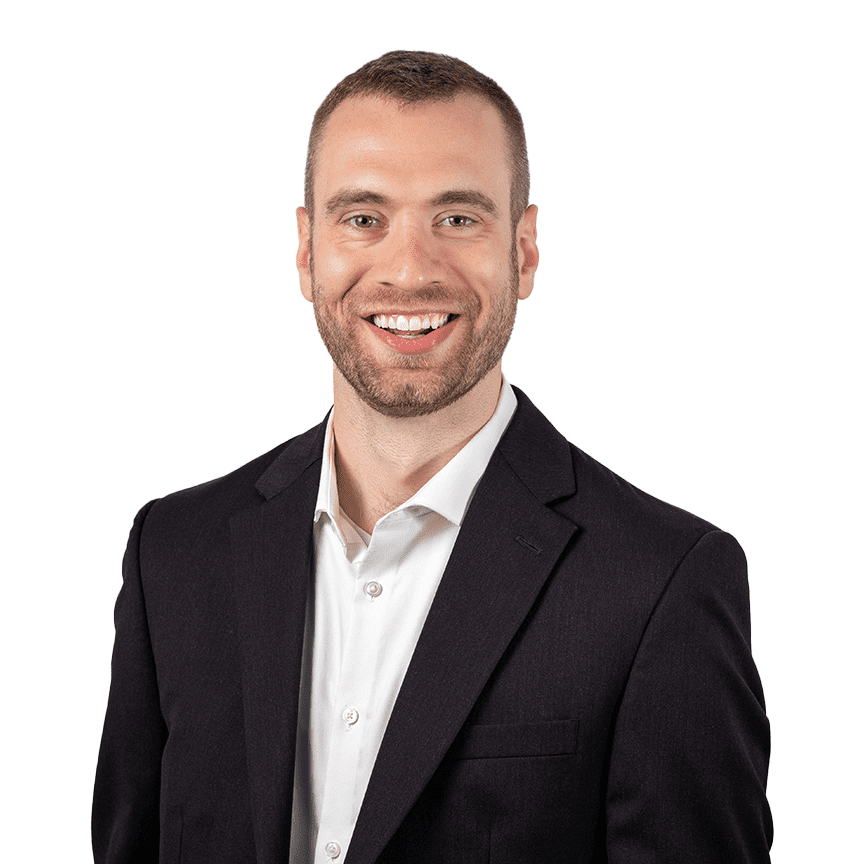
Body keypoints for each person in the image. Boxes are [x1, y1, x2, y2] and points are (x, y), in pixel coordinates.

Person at [92, 50, 772, 863]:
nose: (409, 269)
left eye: (458, 218)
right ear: (308, 251)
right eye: (363, 218)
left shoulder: (661, 584)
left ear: (523, 251)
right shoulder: (175, 554)